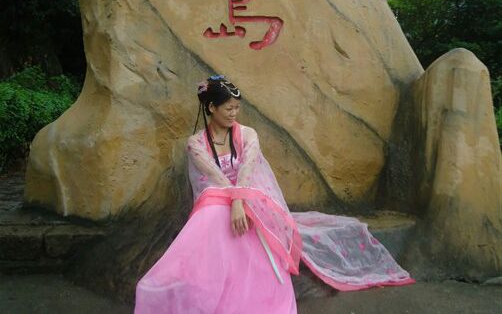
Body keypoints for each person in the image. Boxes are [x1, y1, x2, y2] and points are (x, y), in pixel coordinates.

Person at [134, 75, 415, 314]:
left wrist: (240, 201)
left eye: (237, 108)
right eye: (228, 108)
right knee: (214, 210)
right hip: (217, 198)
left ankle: (255, 298)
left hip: (250, 196)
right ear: (211, 107)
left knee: (240, 214)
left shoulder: (247, 134)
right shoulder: (195, 143)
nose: (234, 114)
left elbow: (247, 169)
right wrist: (233, 202)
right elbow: (215, 177)